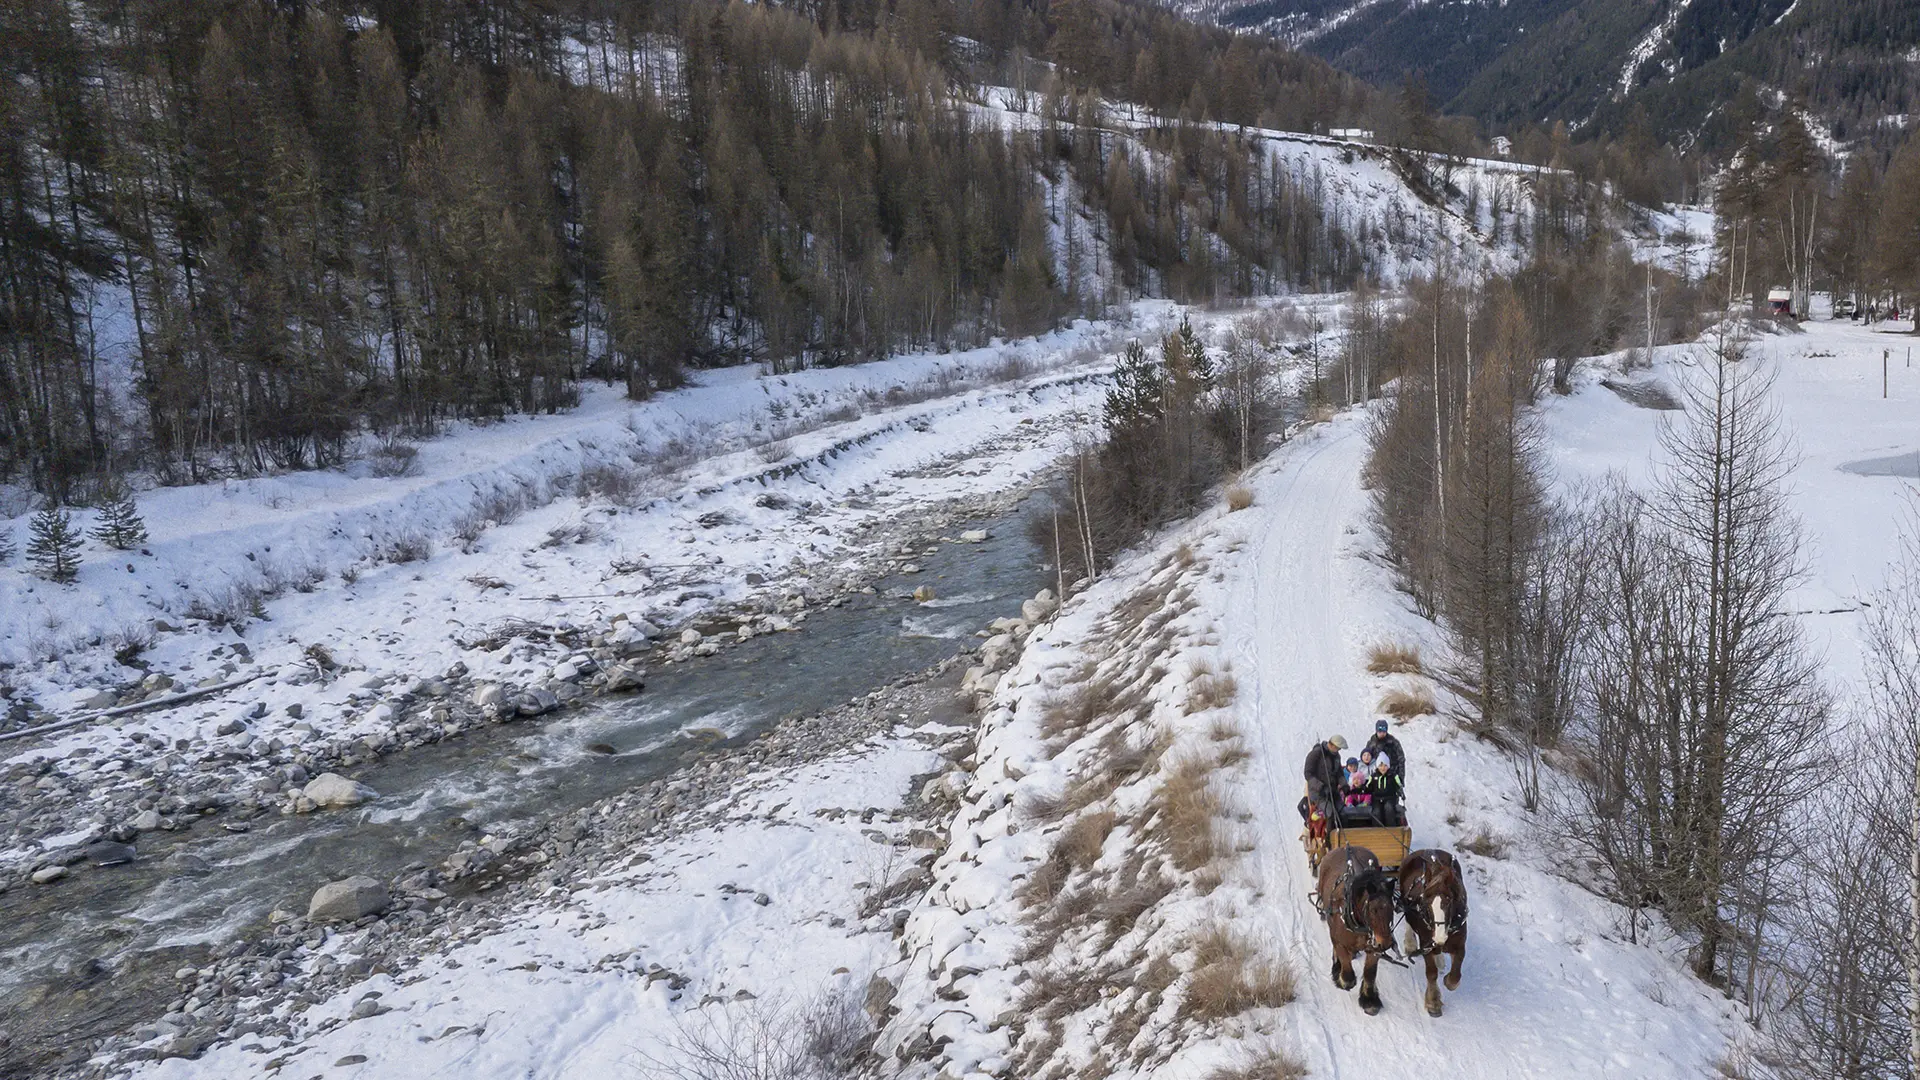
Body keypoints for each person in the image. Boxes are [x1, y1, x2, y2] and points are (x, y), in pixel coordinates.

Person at [1302, 734, 1348, 820]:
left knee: (1343, 812)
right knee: (1330, 813)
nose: (1339, 750)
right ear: (1332, 745)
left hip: (1333, 792)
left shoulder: (1336, 756)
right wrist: (1321, 787)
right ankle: (1329, 833)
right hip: (1319, 794)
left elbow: (1339, 773)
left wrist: (1344, 785)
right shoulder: (1316, 754)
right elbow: (1308, 774)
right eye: (1338, 748)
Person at [1366, 753, 1404, 826]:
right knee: (1376, 812)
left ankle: (1391, 828)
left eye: (1385, 766)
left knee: (1389, 809)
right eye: (1380, 766)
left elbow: (1399, 785)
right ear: (1377, 766)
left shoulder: (1393, 776)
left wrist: (1400, 791)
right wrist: (1364, 789)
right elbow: (1368, 786)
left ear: (1388, 766)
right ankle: (1377, 830)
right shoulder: (1374, 776)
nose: (1383, 768)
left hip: (1389, 798)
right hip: (1377, 798)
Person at [1364, 720, 1404, 786]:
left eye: (1384, 731)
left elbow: (1401, 759)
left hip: (1392, 775)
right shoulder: (1371, 743)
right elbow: (1366, 759)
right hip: (1376, 776)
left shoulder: (1393, 742)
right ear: (1376, 731)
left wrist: (1400, 777)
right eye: (1380, 731)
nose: (1382, 733)